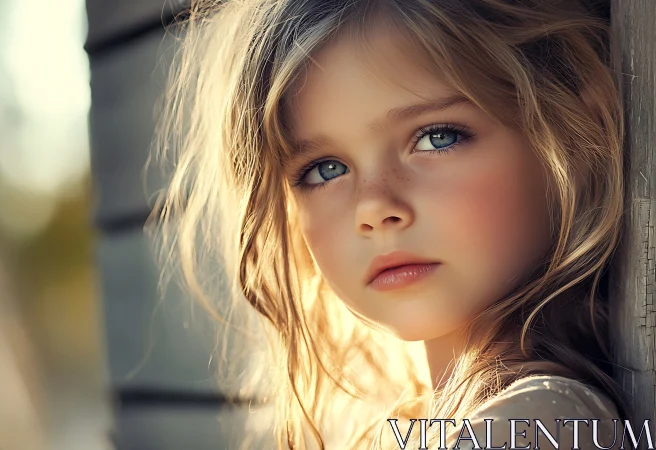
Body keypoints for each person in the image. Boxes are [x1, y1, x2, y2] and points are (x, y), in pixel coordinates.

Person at [147, 0, 631, 448]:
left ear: (573, 134)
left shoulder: (537, 422)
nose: (373, 208)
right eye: (325, 170)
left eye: (437, 137)